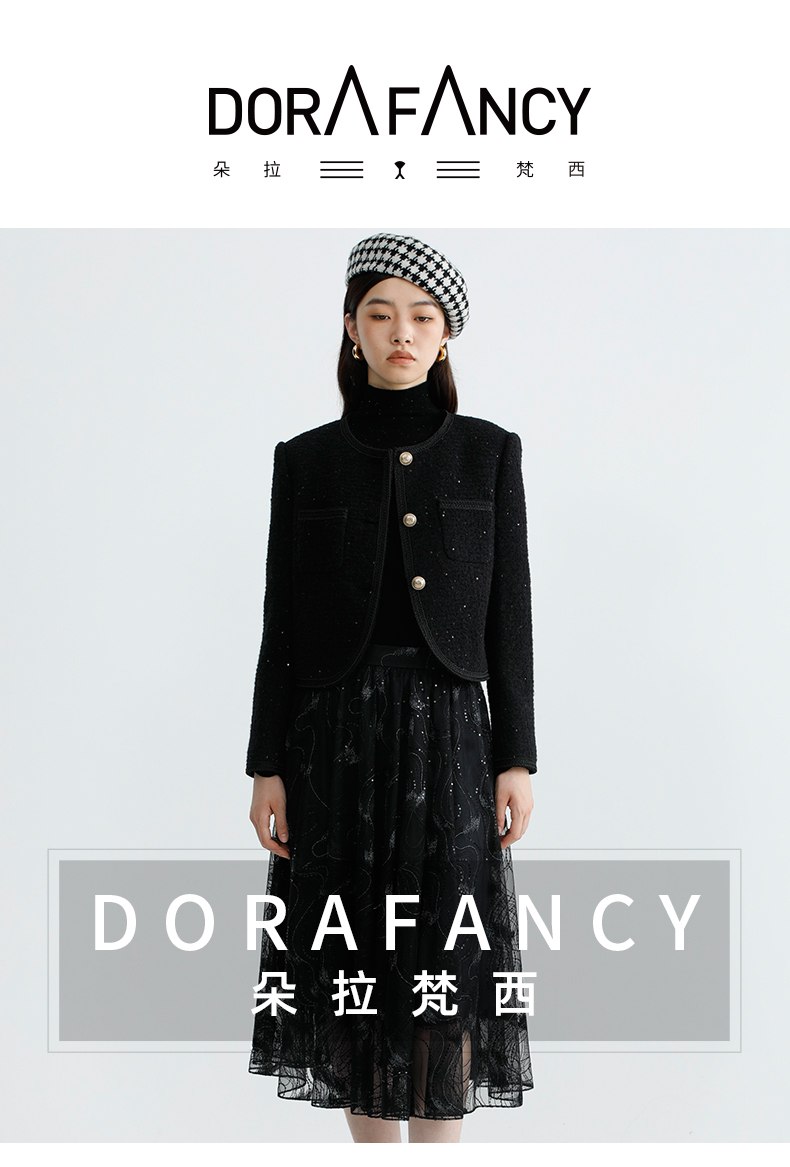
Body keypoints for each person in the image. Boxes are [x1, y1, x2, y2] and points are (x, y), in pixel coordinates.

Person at [246, 233, 537, 1144]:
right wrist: (265, 764)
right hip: (330, 740)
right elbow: (281, 623)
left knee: (445, 955)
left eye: (421, 316)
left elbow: (511, 619)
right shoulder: (306, 459)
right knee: (354, 967)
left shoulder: (489, 453)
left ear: (444, 337)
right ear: (352, 328)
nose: (400, 332)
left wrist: (517, 756)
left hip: (452, 736)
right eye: (380, 314)